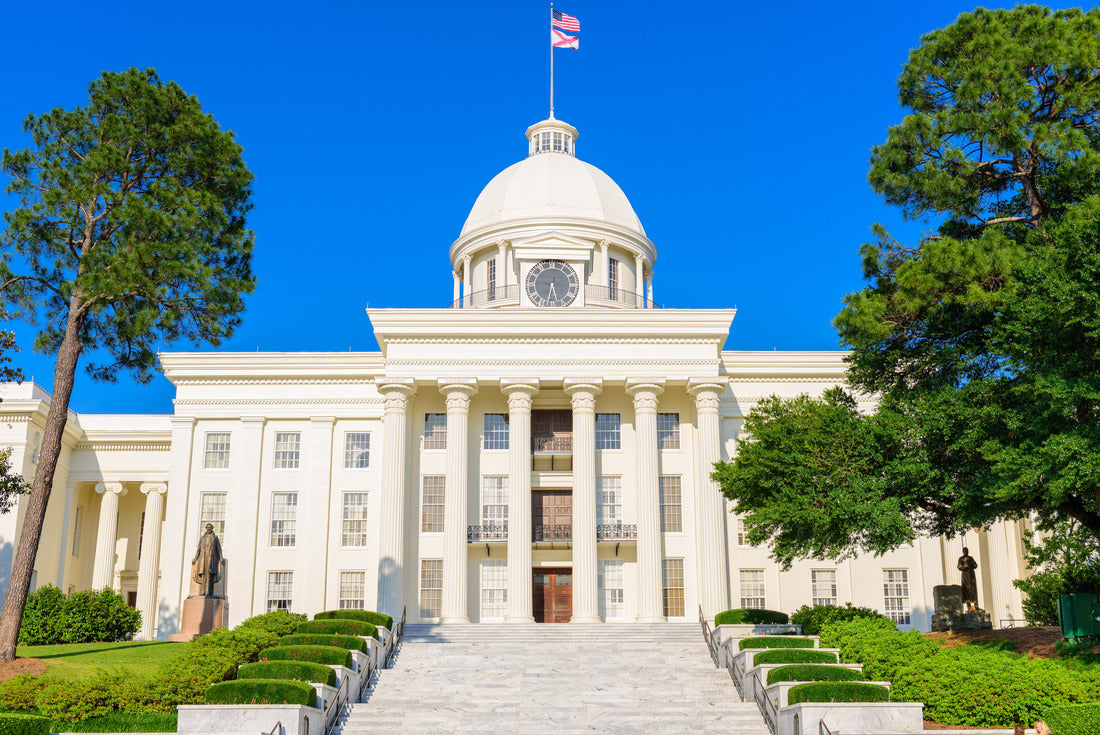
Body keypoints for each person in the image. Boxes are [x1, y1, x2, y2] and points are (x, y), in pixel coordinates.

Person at [192, 523, 223, 596]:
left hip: (210, 557)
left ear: (212, 529)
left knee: (209, 574)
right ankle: (203, 590)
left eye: (210, 528)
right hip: (203, 557)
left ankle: (208, 591)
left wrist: (221, 558)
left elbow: (219, 548)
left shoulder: (215, 538)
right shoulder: (202, 538)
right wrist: (195, 558)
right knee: (203, 575)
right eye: (207, 528)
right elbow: (199, 549)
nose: (208, 529)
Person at [958, 547, 979, 612]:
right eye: (965, 551)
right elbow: (959, 567)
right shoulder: (961, 559)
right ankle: (969, 606)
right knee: (966, 590)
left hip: (971, 575)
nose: (966, 552)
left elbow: (975, 565)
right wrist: (965, 567)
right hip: (965, 576)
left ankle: (976, 605)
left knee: (973, 590)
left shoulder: (970, 558)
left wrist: (973, 565)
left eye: (967, 551)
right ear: (963, 552)